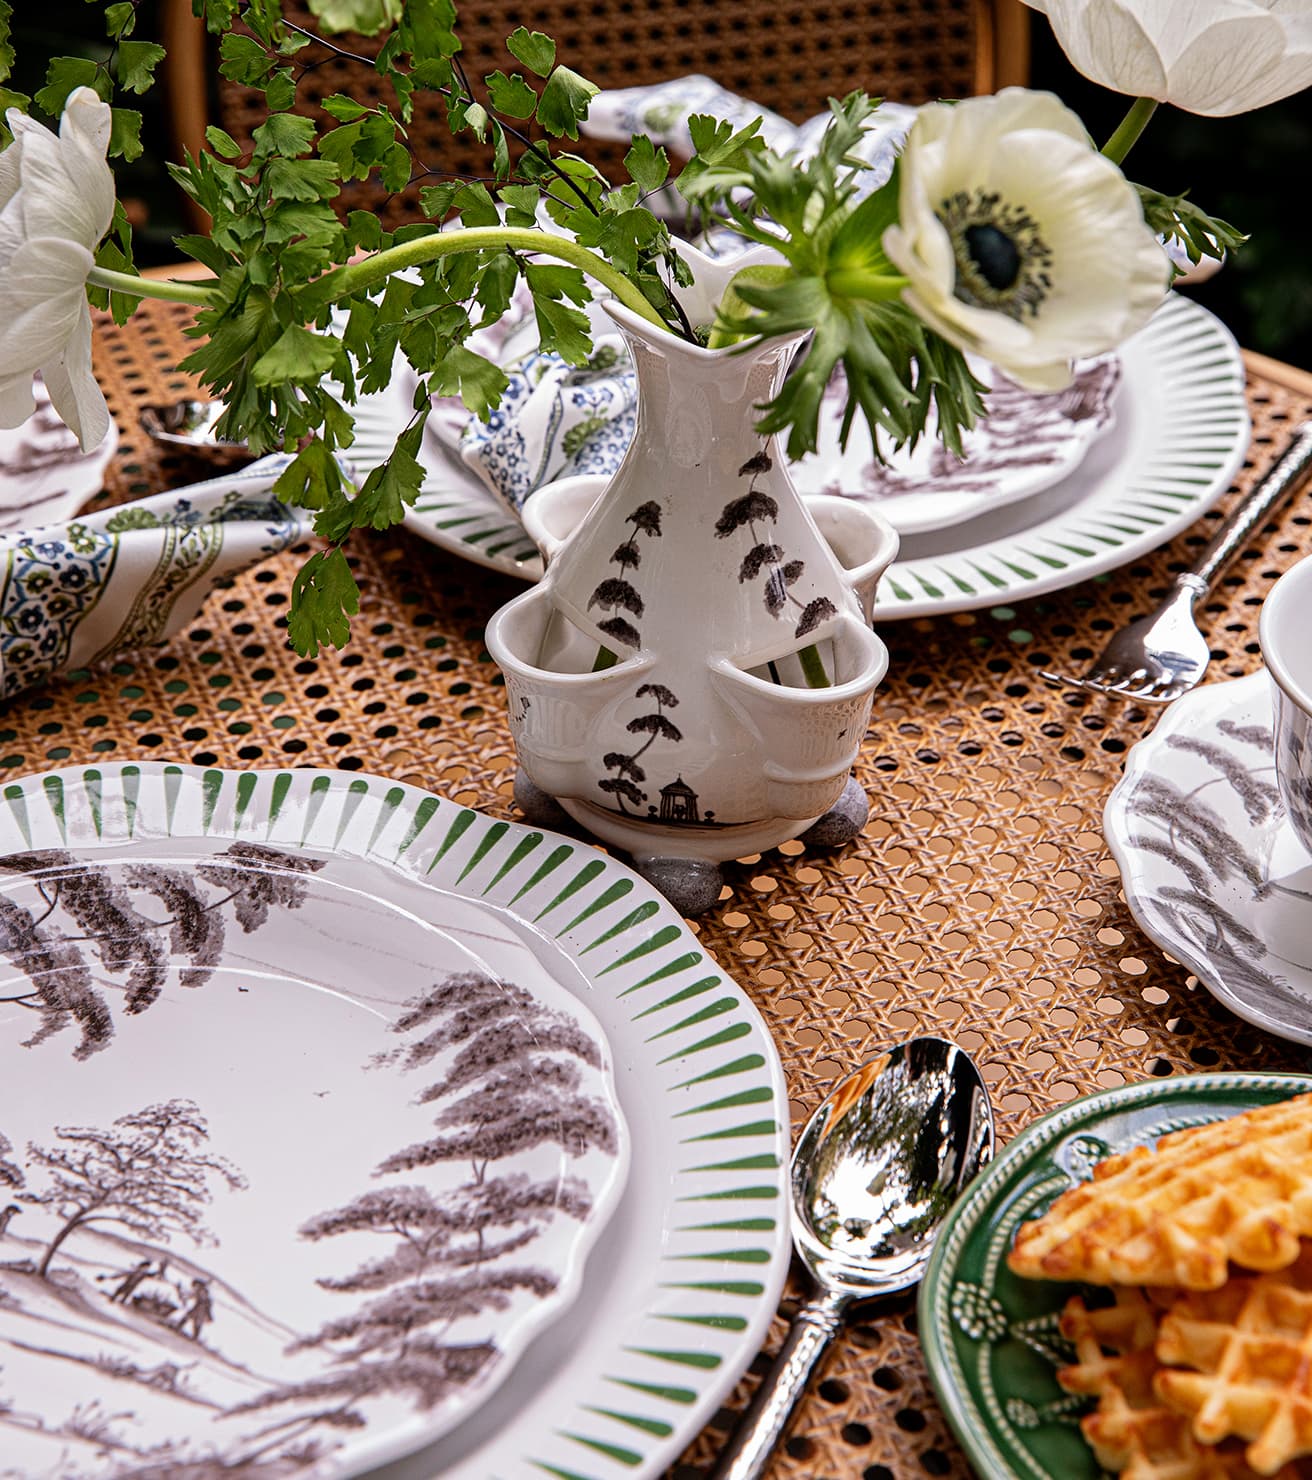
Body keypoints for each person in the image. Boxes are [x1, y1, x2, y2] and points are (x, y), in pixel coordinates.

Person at [174, 1276, 214, 1341]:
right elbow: (189, 1295)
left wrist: (180, 1292)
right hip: (199, 1307)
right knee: (190, 1317)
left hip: (201, 1308)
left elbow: (190, 1295)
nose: (194, 1287)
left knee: (196, 1321)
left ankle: (194, 1336)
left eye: (196, 1285)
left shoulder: (201, 1291)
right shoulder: (202, 1291)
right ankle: (179, 1328)